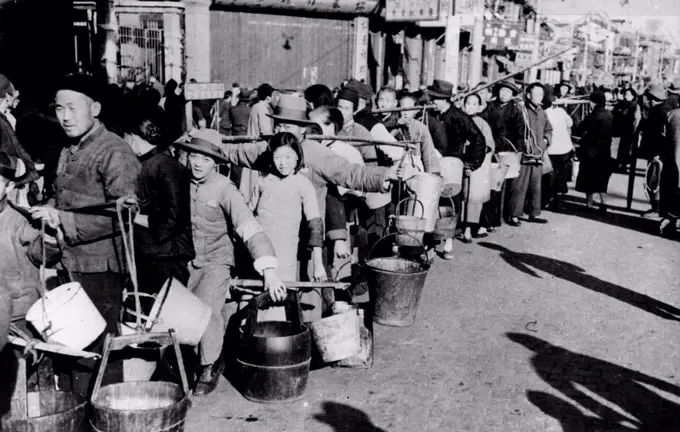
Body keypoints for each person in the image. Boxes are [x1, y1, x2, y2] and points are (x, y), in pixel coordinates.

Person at [29, 73, 141, 395]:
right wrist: (48, 210)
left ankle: (105, 416)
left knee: (98, 350)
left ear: (95, 107)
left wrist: (62, 220)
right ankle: (76, 413)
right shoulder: (71, 148)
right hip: (72, 264)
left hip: (101, 269)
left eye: (72, 108)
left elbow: (125, 213)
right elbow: (62, 193)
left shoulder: (114, 151)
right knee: (70, 347)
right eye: (59, 108)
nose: (64, 116)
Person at [173, 130, 285, 396]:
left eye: (205, 159)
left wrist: (269, 269)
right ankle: (186, 362)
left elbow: (248, 226)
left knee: (208, 309)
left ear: (216, 162)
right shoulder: (178, 181)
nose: (198, 163)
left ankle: (210, 364)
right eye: (194, 156)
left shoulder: (225, 189)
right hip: (185, 260)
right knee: (181, 313)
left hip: (216, 260)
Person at [122, 110, 194, 299]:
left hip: (167, 255)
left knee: (167, 315)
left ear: (134, 137)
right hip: (151, 252)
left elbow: (174, 217)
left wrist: (135, 217)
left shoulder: (167, 166)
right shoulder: (149, 164)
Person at [251, 132, 325, 283]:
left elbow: (315, 225)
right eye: (277, 157)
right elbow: (246, 217)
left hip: (284, 255)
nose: (283, 163)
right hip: (257, 252)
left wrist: (318, 265)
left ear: (297, 156)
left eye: (288, 157)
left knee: (278, 298)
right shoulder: (262, 181)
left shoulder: (303, 184)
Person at [427, 79, 485, 259]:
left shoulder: (459, 117)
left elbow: (478, 139)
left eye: (435, 99)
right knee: (431, 203)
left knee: (450, 203)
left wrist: (471, 163)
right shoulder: (431, 115)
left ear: (444, 99)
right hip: (432, 163)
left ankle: (448, 241)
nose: (432, 102)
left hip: (452, 165)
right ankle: (430, 243)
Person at [506, 83, 552, 226]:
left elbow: (549, 129)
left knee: (535, 186)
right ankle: (514, 215)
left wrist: (545, 140)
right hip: (524, 155)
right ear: (529, 95)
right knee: (519, 186)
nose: (539, 97)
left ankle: (533, 213)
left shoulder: (542, 112)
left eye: (541, 95)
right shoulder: (520, 109)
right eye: (536, 94)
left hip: (538, 154)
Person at [639, 84, 679, 217]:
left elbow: (660, 135)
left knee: (654, 181)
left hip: (658, 153)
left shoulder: (660, 112)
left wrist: (657, 153)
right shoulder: (665, 109)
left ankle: (656, 208)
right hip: (660, 152)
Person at [461, 93, 494, 242]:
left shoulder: (481, 123)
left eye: (474, 104)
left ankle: (469, 227)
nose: (471, 107)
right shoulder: (459, 119)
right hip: (459, 161)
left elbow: (488, 145)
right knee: (460, 194)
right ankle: (459, 225)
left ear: (480, 107)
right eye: (468, 103)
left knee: (473, 196)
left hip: (476, 164)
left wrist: (474, 159)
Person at [574, 91, 614, 212]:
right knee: (602, 179)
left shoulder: (592, 116)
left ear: (593, 102)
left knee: (588, 178)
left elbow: (579, 130)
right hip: (605, 152)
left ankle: (589, 204)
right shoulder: (609, 115)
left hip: (590, 152)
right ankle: (603, 203)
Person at [542, 94, 574, 211]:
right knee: (561, 176)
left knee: (549, 176)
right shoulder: (560, 111)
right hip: (565, 148)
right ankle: (559, 202)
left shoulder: (542, 113)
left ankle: (547, 200)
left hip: (551, 149)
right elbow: (570, 123)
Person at [661, 106, 680, 236]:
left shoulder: (671, 114)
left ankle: (670, 222)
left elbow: (663, 136)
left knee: (671, 192)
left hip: (672, 160)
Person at [613, 88, 642, 172]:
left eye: (629, 95)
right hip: (619, 130)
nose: (626, 96)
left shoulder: (635, 105)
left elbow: (637, 118)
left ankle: (624, 165)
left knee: (627, 148)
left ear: (633, 96)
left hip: (629, 130)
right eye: (625, 94)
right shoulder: (620, 104)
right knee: (618, 148)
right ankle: (616, 163)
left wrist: (635, 130)